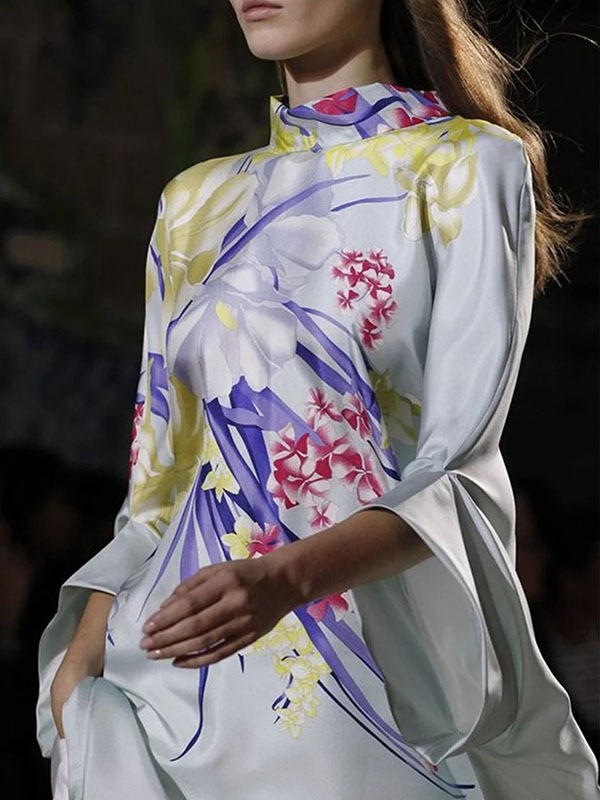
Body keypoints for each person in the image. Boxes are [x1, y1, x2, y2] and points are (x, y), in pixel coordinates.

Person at [36, 1, 600, 798]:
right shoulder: (194, 203)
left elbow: (455, 474)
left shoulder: (467, 168)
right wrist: (79, 675)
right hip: (166, 696)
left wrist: (286, 580)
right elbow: (155, 497)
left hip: (366, 687)